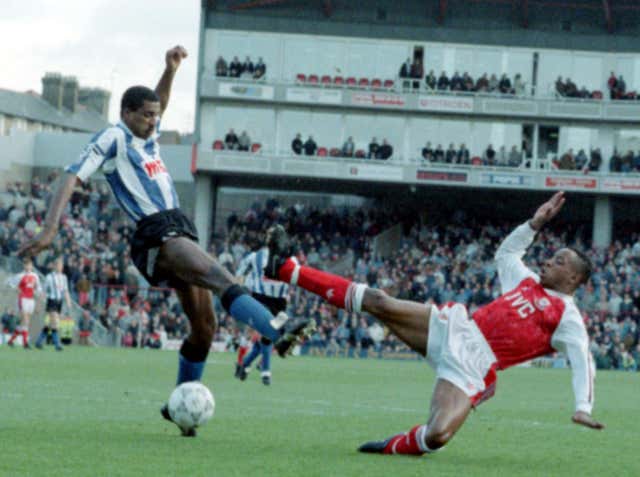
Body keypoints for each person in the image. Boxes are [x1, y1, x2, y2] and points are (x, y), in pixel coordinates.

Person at [17, 45, 311, 436]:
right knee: (220, 276)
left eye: (157, 116)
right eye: (147, 116)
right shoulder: (113, 139)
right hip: (157, 234)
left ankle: (178, 409)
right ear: (126, 114)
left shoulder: (147, 136)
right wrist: (50, 229)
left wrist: (169, 70)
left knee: (204, 330)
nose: (154, 121)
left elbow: (161, 101)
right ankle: (277, 330)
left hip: (178, 227)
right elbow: (71, 175)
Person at [263, 191, 604, 456]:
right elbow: (507, 254)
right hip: (455, 328)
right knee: (380, 302)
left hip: (474, 365)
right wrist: (535, 223)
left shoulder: (568, 318)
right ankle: (288, 269)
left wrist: (582, 407)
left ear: (573, 277)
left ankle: (394, 446)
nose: (548, 261)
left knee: (438, 434)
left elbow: (583, 359)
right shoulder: (526, 280)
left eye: (558, 261)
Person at [234, 238, 291, 385]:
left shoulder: (285, 258)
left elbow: (240, 274)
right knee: (263, 333)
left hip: (277, 301)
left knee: (270, 335)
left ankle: (245, 364)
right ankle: (263, 370)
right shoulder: (256, 258)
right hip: (259, 299)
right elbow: (240, 274)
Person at [35, 256, 71, 351]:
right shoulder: (49, 277)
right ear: (55, 266)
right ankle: (57, 344)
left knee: (50, 324)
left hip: (59, 302)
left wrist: (68, 302)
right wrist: (38, 304)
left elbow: (65, 291)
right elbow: (43, 291)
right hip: (51, 302)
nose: (61, 267)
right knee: (55, 323)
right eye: (59, 265)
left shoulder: (64, 277)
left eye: (61, 265)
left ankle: (38, 341)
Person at [5, 257, 42, 349]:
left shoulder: (35, 276)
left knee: (24, 323)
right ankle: (25, 343)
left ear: (32, 266)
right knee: (25, 320)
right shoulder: (20, 276)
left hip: (31, 300)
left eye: (29, 265)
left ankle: (10, 341)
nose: (28, 266)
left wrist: (38, 302)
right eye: (26, 265)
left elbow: (38, 289)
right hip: (23, 299)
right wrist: (17, 290)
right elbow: (9, 283)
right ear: (24, 266)